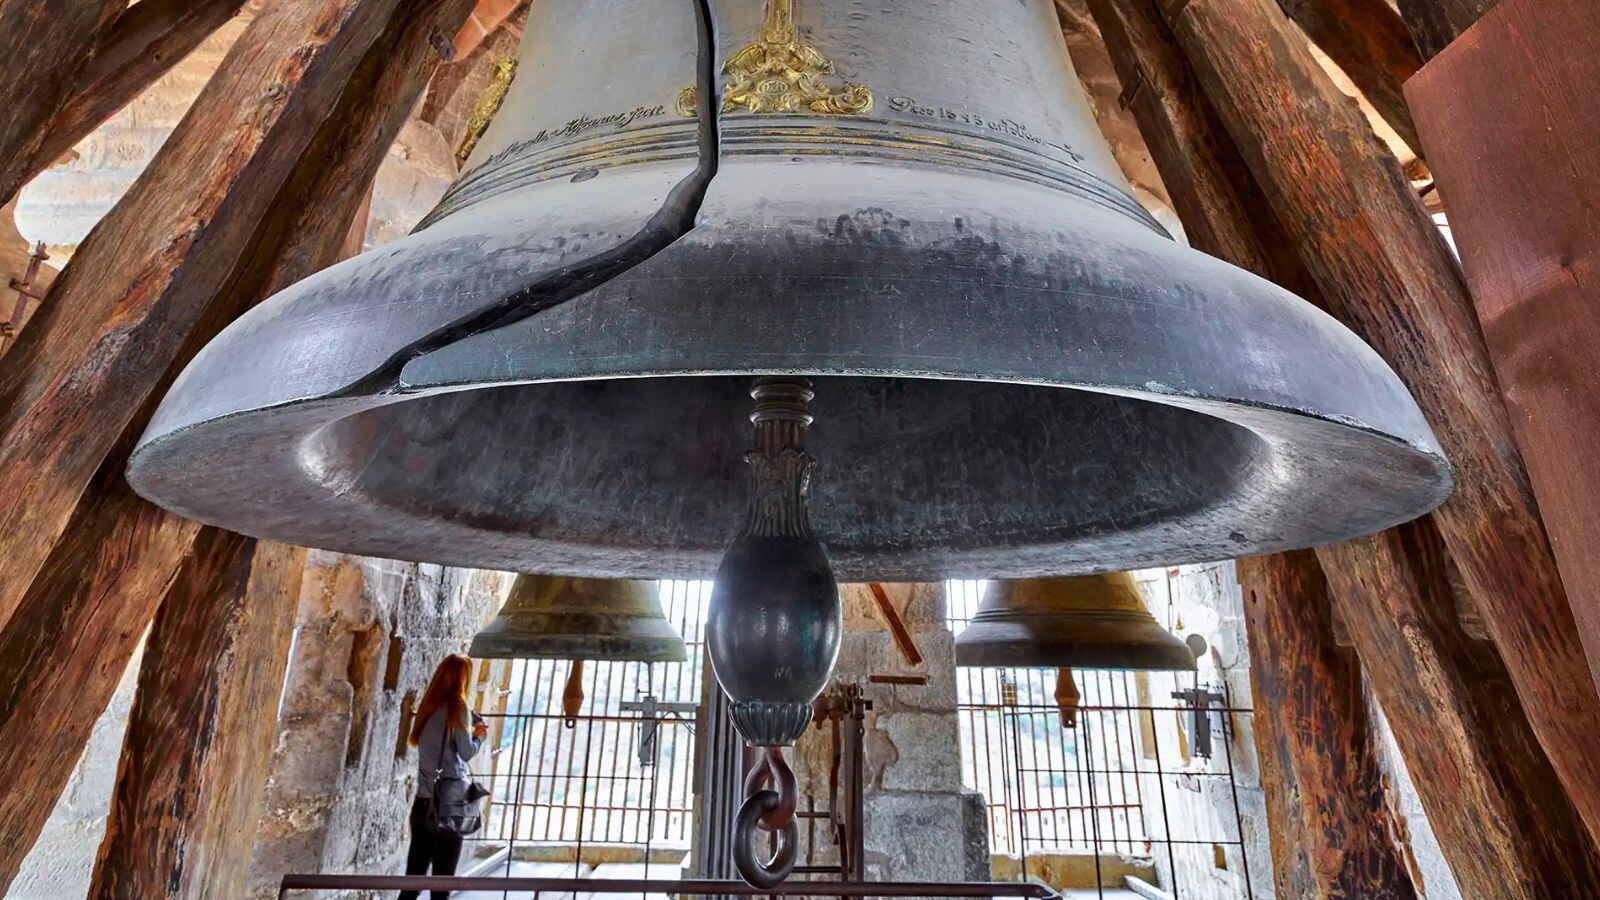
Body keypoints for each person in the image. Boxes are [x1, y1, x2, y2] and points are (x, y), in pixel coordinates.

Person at [400, 654, 488, 900]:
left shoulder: (429, 707)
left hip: (423, 803)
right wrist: (479, 735)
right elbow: (466, 751)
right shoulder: (456, 708)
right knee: (442, 883)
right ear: (463, 679)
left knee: (412, 881)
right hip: (448, 807)